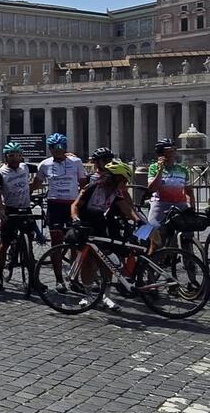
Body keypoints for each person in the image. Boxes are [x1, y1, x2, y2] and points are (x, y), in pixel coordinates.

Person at [71, 160, 143, 310]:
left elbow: (126, 209)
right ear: (115, 178)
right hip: (85, 224)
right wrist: (76, 219)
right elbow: (75, 205)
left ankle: (107, 296)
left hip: (100, 225)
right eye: (123, 180)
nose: (125, 184)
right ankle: (88, 295)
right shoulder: (92, 187)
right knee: (87, 262)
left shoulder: (116, 192)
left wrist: (138, 220)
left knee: (107, 262)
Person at [30, 132, 88, 291]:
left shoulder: (76, 162)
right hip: (54, 205)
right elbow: (35, 184)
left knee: (74, 244)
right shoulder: (45, 164)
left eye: (60, 147)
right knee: (56, 243)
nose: (57, 150)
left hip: (71, 205)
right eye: (54, 148)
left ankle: (74, 278)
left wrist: (82, 203)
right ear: (49, 148)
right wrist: (18, 191)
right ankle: (59, 280)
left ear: (65, 147)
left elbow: (83, 184)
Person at [0, 142, 37, 292]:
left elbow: (43, 166)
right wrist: (1, 210)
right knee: (4, 244)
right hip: (10, 209)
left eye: (18, 155)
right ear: (6, 157)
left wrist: (69, 156)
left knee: (29, 245)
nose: (15, 158)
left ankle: (33, 278)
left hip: (26, 209)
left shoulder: (25, 167)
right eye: (11, 155)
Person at [147, 138, 194, 253]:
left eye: (174, 149)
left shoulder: (182, 169)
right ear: (162, 153)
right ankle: (150, 262)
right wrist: (160, 170)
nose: (173, 152)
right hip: (160, 204)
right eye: (170, 150)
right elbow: (152, 188)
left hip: (180, 204)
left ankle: (190, 261)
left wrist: (192, 207)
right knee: (153, 231)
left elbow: (189, 191)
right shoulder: (153, 167)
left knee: (188, 233)